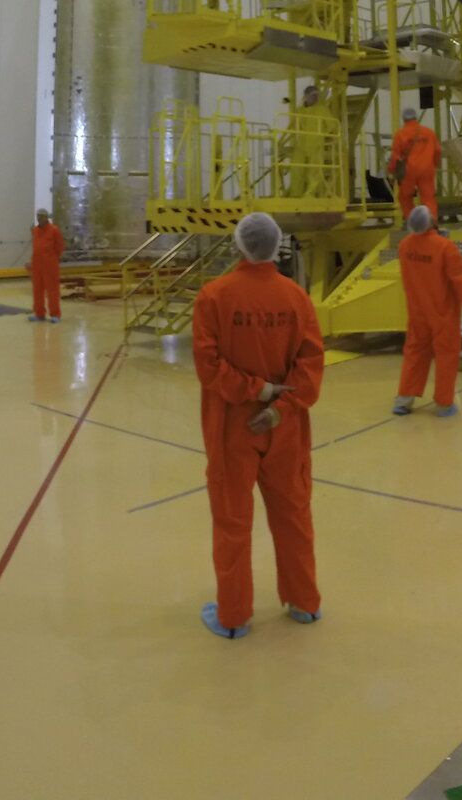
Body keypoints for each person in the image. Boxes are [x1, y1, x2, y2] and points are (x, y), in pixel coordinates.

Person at [191, 211, 324, 639]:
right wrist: (281, 406)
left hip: (233, 424)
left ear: (238, 246)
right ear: (276, 246)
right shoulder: (296, 298)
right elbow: (311, 365)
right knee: (293, 513)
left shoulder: (214, 296)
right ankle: (304, 603)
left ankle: (233, 616)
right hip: (286, 425)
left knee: (232, 518)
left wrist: (258, 391)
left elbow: (210, 368)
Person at [392, 205, 462, 417]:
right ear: (431, 222)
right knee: (447, 355)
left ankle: (403, 400)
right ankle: (444, 404)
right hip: (442, 312)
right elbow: (458, 279)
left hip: (417, 310)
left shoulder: (404, 246)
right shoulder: (445, 247)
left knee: (414, 352)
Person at [279, 84, 334, 199]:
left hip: (316, 144)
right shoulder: (299, 111)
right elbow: (296, 126)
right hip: (302, 144)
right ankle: (296, 194)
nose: (315, 98)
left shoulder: (322, 110)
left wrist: (324, 135)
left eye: (317, 95)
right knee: (296, 170)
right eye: (313, 95)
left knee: (314, 171)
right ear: (306, 96)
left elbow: (332, 125)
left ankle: (309, 194)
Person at [387, 106, 442, 220]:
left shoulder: (400, 134)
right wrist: (435, 165)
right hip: (427, 169)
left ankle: (412, 221)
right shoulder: (429, 132)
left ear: (404, 119)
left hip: (409, 171)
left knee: (405, 197)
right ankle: (431, 223)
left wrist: (391, 171)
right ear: (416, 118)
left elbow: (395, 156)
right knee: (428, 197)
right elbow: (437, 151)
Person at [28, 209, 64, 323]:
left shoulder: (54, 230)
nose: (39, 218)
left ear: (46, 217)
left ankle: (55, 314)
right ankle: (39, 313)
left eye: (41, 216)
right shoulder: (35, 231)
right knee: (37, 290)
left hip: (50, 265)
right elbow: (36, 247)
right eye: (38, 216)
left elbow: (60, 247)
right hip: (37, 265)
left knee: (52, 290)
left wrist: (52, 258)